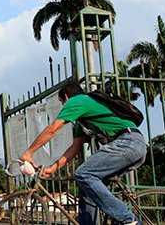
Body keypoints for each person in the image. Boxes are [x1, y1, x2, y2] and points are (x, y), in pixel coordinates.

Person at [20, 80, 147, 225]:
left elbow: (52, 129)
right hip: (132, 145)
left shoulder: (77, 101)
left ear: (66, 97)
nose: (63, 106)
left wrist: (28, 153)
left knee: (84, 173)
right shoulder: (83, 121)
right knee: (87, 189)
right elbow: (75, 148)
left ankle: (128, 220)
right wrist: (53, 169)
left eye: (61, 102)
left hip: (127, 142)